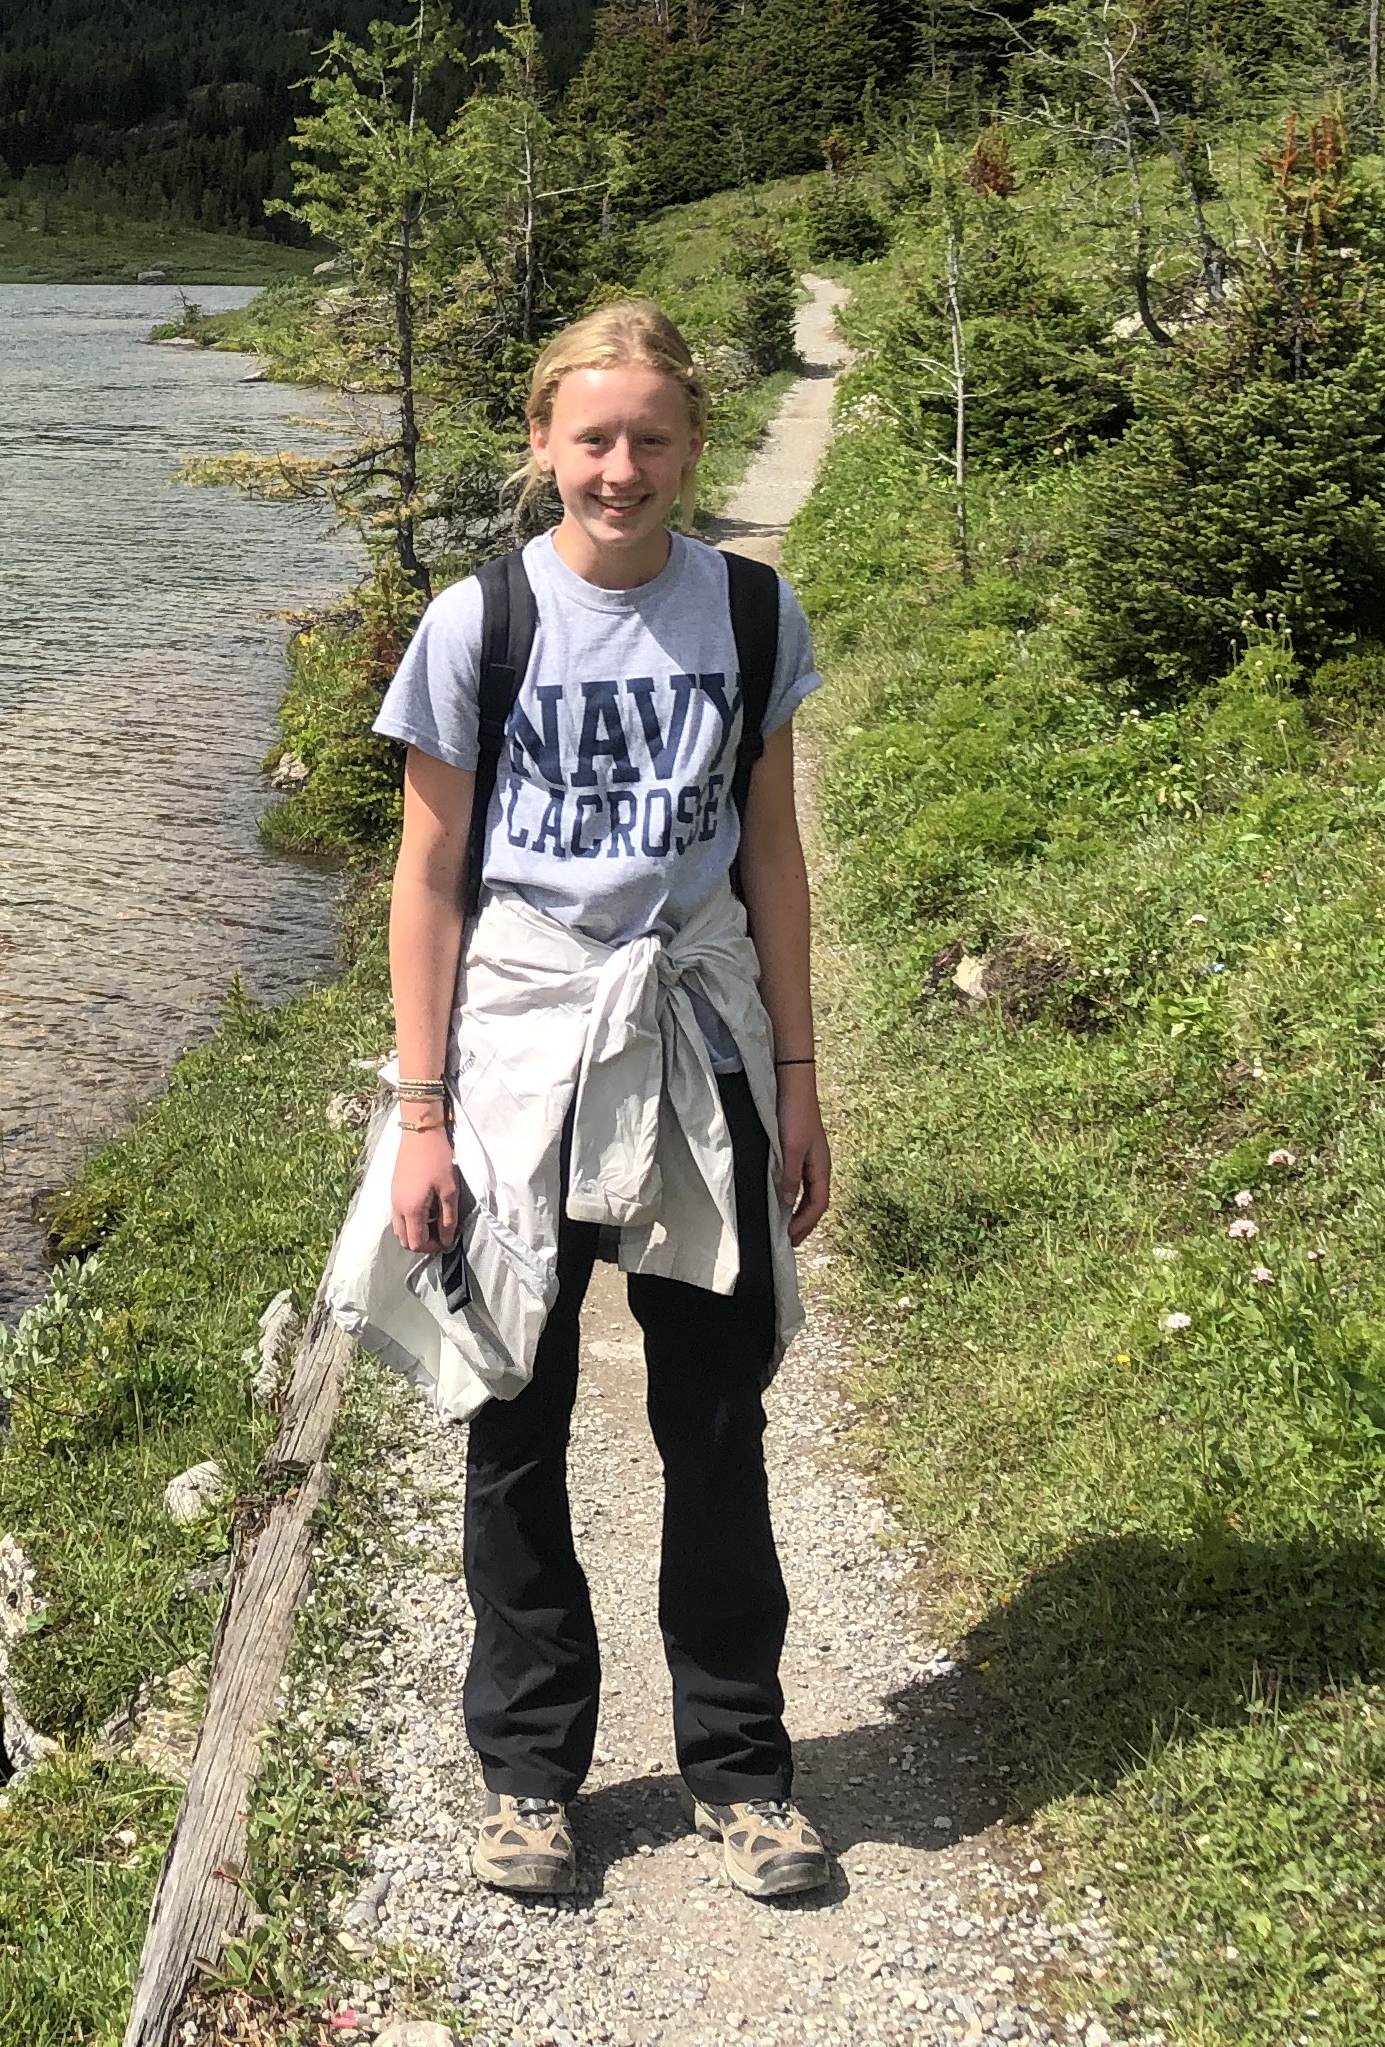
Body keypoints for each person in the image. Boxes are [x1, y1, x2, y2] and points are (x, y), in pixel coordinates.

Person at [318, 299, 835, 1904]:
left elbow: (768, 858)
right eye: (592, 440)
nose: (622, 470)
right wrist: (419, 1117)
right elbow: (427, 878)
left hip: (698, 1041)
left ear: (692, 447)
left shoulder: (750, 618)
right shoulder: (478, 625)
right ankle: (531, 1778)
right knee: (515, 1424)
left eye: (653, 439)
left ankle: (742, 1772)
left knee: (716, 1421)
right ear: (542, 444)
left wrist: (801, 1083)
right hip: (523, 1054)